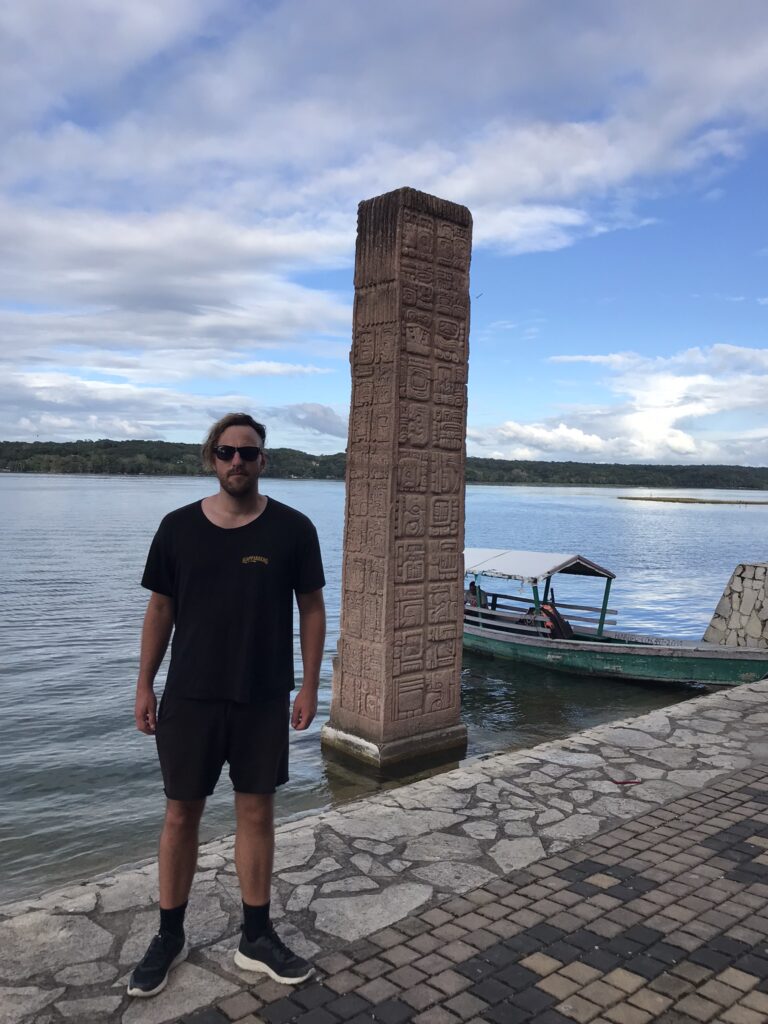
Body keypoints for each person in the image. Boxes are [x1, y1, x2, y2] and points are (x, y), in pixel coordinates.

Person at [128, 413, 326, 998]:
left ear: (264, 460)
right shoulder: (177, 528)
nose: (236, 462)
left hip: (262, 695)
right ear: (210, 459)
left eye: (248, 452)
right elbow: (160, 610)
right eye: (225, 452)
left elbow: (311, 608)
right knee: (180, 815)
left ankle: (256, 937)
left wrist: (311, 685)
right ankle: (170, 935)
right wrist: (144, 683)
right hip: (189, 696)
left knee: (257, 813)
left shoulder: (293, 529)